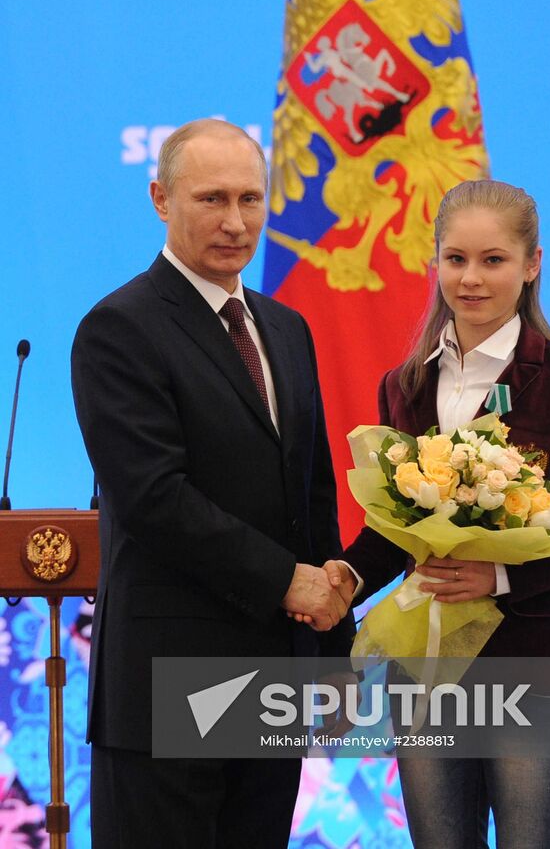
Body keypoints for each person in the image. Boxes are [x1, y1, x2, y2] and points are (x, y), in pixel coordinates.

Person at [328, 179, 550, 848]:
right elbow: (395, 530)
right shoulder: (404, 385)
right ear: (435, 262)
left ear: (531, 266)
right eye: (455, 259)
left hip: (532, 667)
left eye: (493, 260)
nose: (471, 279)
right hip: (425, 671)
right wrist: (345, 580)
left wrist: (499, 577)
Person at [71, 118, 354, 849]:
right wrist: (283, 581)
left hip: (275, 683)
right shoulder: (119, 327)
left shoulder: (285, 326)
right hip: (170, 687)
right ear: (160, 198)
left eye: (251, 200)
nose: (235, 222)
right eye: (211, 199)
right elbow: (154, 499)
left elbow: (310, 495)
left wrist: (333, 656)